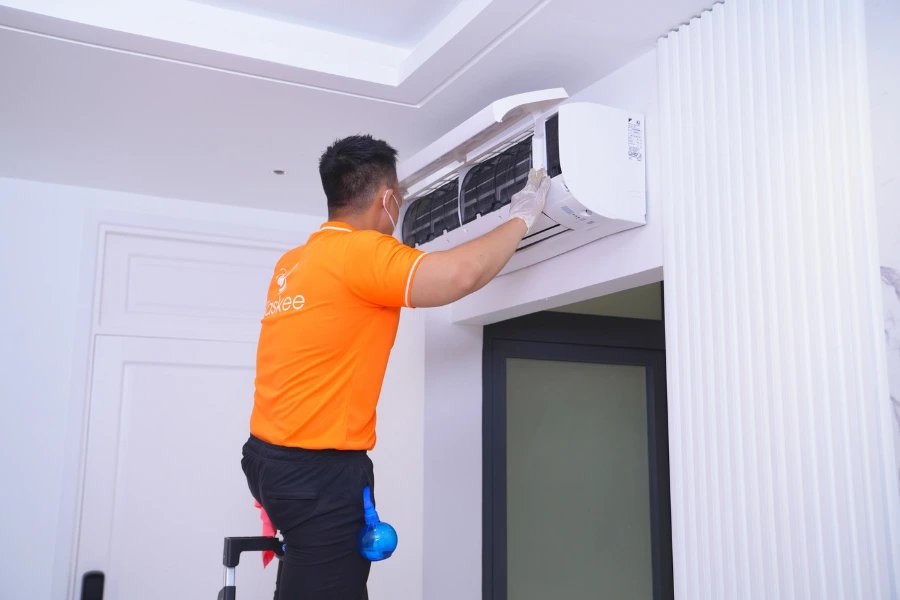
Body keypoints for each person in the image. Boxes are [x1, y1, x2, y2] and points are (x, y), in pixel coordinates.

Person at [241, 134, 550, 599]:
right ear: (388, 198)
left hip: (267, 459)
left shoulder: (295, 261)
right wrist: (521, 217)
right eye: (399, 196)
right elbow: (460, 275)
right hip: (316, 472)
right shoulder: (360, 252)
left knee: (307, 577)